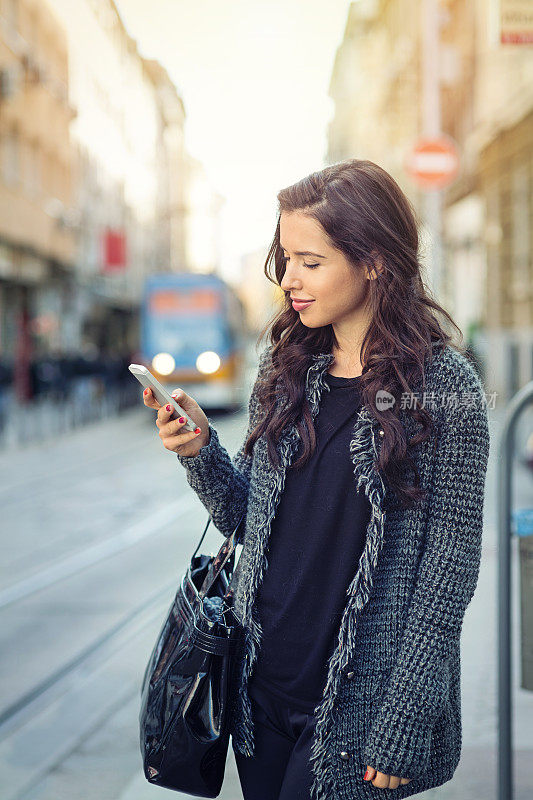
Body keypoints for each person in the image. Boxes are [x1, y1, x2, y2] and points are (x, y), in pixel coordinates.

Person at [142, 158, 490, 800]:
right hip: (259, 689)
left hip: (363, 702)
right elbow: (247, 519)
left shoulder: (447, 391)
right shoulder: (285, 372)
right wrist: (199, 451)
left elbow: (449, 574)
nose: (290, 280)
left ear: (374, 261)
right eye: (285, 258)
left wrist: (405, 722)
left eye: (311, 261)